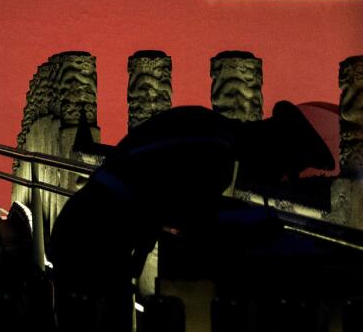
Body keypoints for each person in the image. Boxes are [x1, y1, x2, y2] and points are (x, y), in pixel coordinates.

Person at [48, 101, 334, 332]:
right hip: (93, 242)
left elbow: (155, 195)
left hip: (86, 229)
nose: (278, 178)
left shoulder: (207, 127)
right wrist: (252, 228)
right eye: (283, 168)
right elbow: (193, 222)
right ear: (273, 147)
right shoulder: (214, 154)